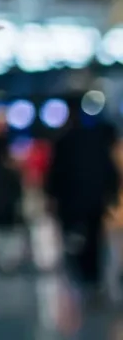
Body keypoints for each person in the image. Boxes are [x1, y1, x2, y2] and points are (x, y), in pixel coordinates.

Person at [47, 108, 120, 291]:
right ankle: (91, 276)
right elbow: (109, 172)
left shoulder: (64, 142)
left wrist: (53, 197)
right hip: (93, 201)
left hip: (72, 203)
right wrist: (110, 195)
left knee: (76, 240)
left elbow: (55, 174)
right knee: (93, 240)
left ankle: (83, 276)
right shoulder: (96, 144)